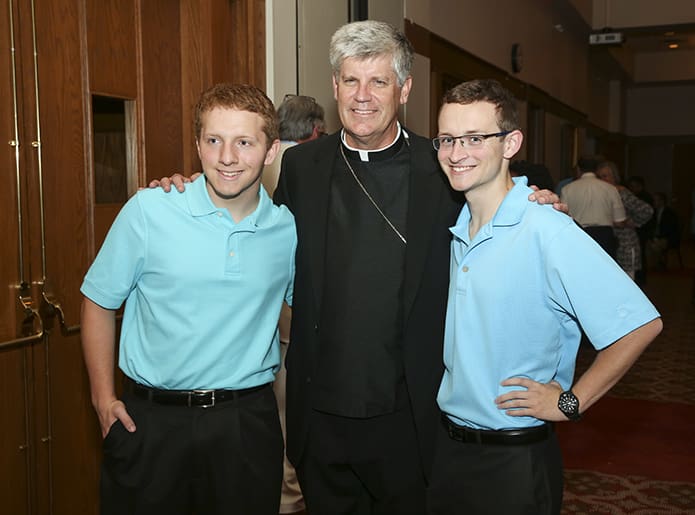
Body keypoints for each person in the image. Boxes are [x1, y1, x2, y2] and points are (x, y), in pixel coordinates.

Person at [153, 21, 564, 515]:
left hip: (411, 418)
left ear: (405, 88)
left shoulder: (443, 168)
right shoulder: (302, 167)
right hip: (321, 418)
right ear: (334, 87)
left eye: (379, 81)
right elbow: (253, 230)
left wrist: (535, 198)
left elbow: (495, 206)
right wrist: (184, 188)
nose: (362, 96)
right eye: (350, 80)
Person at [428, 78, 662, 514]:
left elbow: (641, 324)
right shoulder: (459, 226)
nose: (457, 153)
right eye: (447, 139)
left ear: (511, 142)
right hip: (450, 451)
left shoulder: (546, 228)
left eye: (476, 138)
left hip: (514, 461)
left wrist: (570, 402)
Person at [80, 83, 296, 515]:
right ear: (197, 144)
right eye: (214, 140)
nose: (227, 158)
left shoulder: (286, 229)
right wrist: (103, 401)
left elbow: (301, 316)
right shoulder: (151, 210)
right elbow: (98, 301)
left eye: (244, 143)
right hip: (152, 422)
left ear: (270, 151)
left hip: (246, 424)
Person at [267, 93, 326, 515]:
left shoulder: (259, 160)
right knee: (293, 430)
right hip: (298, 324)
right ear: (316, 130)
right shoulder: (310, 168)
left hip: (260, 327)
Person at [561, 154, 627, 259]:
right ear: (597, 169)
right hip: (605, 236)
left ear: (578, 169)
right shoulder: (610, 188)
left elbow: (563, 217)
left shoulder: (567, 189)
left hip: (579, 235)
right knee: (605, 271)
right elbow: (620, 221)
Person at [597, 160, 654, 279]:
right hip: (610, 243)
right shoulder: (602, 193)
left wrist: (629, 222)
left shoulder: (621, 192)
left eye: (605, 176)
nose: (602, 180)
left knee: (628, 281)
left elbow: (647, 210)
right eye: (600, 177)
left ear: (614, 176)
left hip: (626, 244)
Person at [648, 192, 681, 269]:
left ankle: (659, 263)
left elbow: (670, 230)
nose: (653, 203)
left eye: (655, 200)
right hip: (656, 237)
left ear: (662, 201)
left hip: (668, 238)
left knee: (655, 245)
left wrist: (659, 238)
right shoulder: (653, 212)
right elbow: (651, 227)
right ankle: (656, 262)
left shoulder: (670, 213)